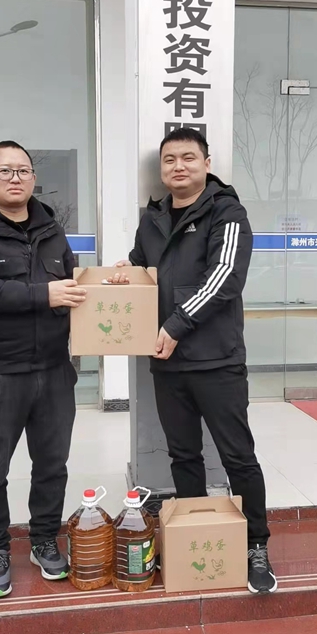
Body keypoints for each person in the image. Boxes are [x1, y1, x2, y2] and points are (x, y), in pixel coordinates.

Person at [113, 127, 277, 595]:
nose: (178, 166)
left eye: (188, 157)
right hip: (168, 363)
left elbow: (224, 277)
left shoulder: (226, 212)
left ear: (206, 164)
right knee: (183, 455)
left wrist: (175, 325)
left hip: (216, 360)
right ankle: (196, 535)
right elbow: (143, 266)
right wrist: (126, 272)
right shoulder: (153, 219)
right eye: (169, 160)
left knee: (237, 457)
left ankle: (256, 545)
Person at [0, 140, 86, 598]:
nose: (16, 178)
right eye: (5, 171)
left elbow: (73, 285)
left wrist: (110, 282)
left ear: (33, 178)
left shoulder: (51, 229)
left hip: (54, 369)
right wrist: (44, 294)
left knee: (52, 465)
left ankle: (44, 539)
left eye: (23, 170)